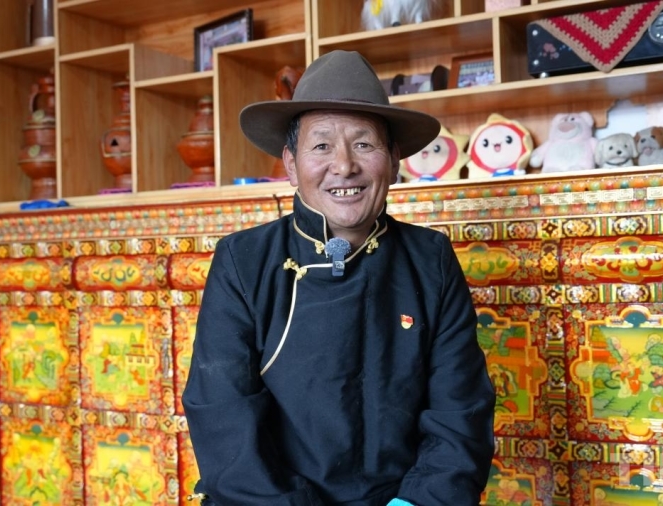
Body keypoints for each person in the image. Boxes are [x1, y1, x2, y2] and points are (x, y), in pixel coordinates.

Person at [182, 50, 496, 505]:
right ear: (291, 164)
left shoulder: (431, 260)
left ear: (393, 159)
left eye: (364, 144)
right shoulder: (242, 261)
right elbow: (223, 420)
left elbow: (460, 412)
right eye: (321, 146)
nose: (344, 165)